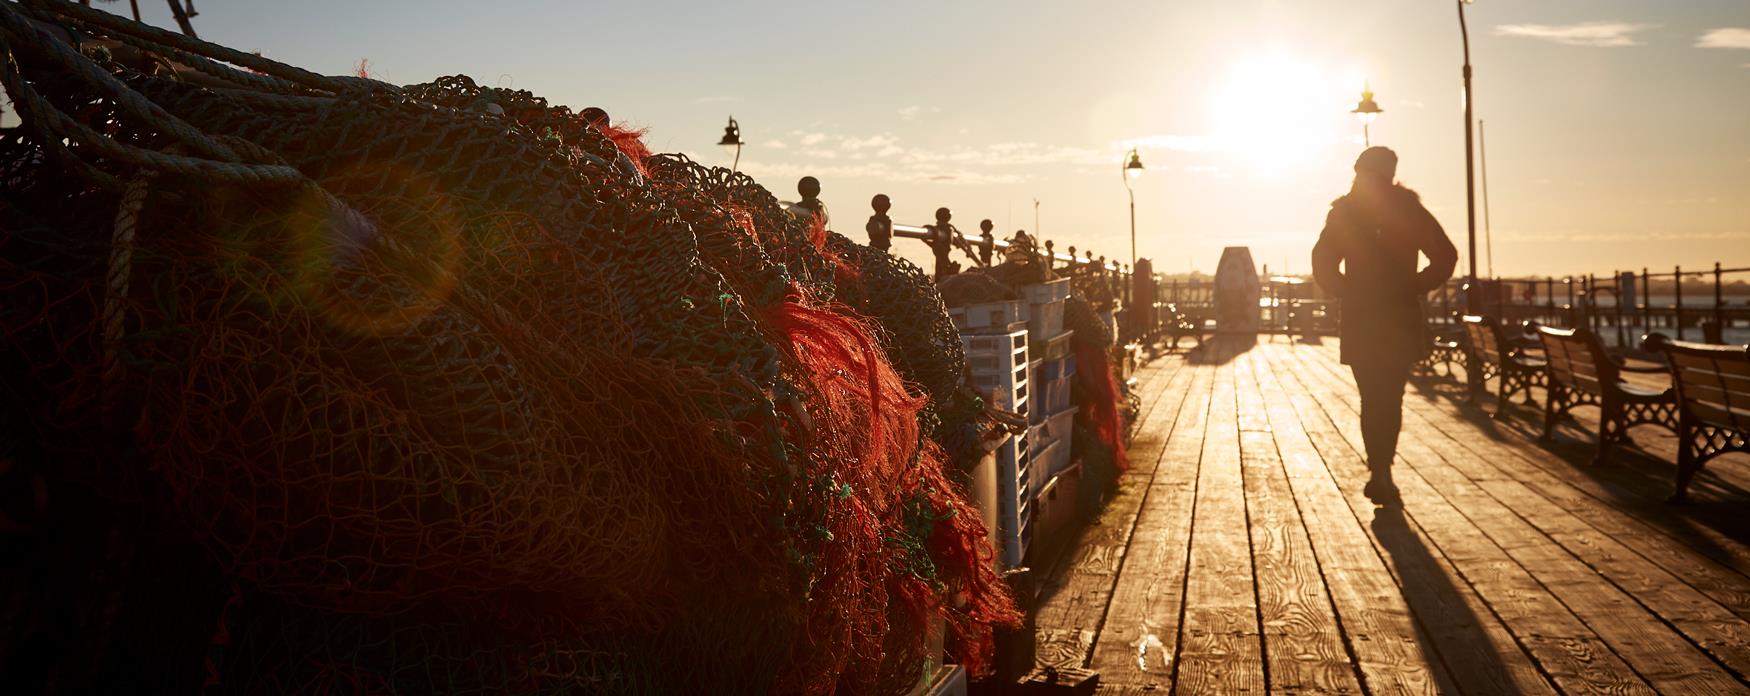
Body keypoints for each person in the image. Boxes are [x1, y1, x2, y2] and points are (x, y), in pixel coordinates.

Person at [1311, 147, 1457, 505]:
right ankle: (1381, 470)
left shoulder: (1351, 212)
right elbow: (1445, 256)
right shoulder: (1396, 210)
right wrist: (1414, 286)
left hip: (1377, 317)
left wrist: (1347, 290)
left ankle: (1381, 470)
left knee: (1378, 398)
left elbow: (1322, 261)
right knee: (1385, 398)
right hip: (1389, 316)